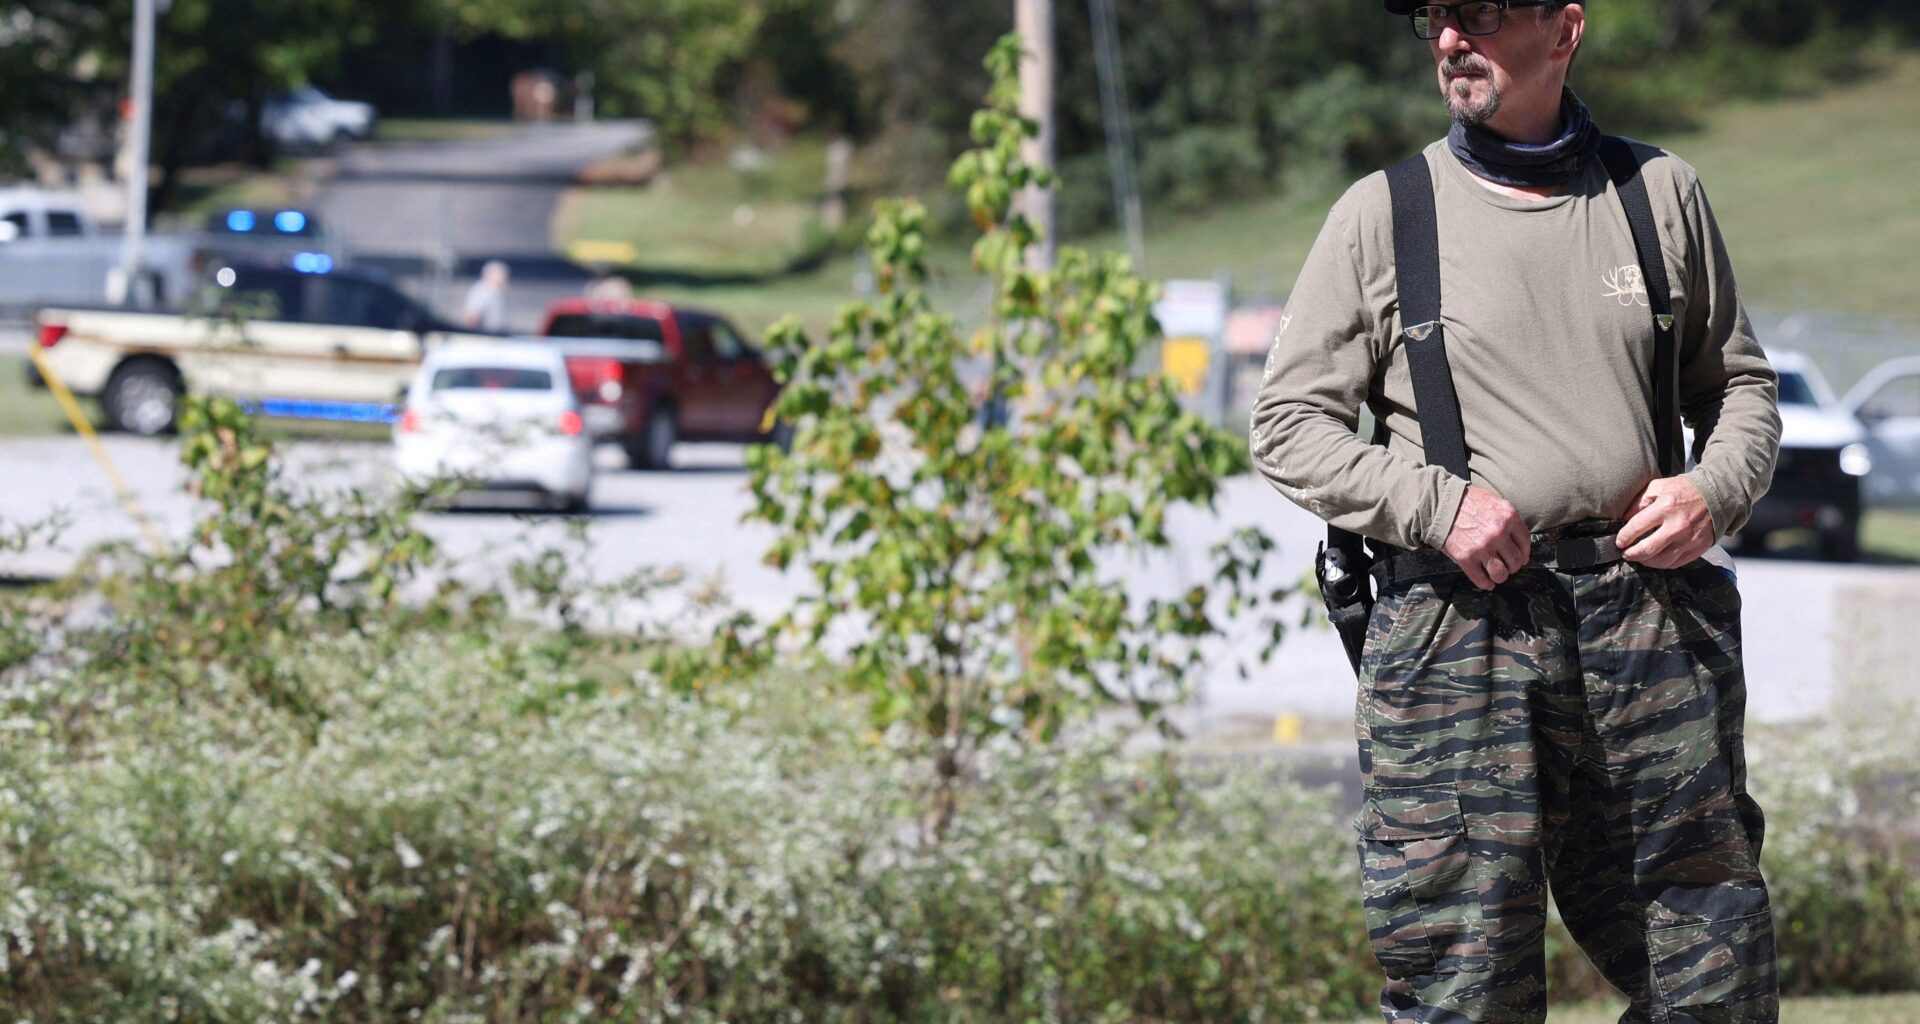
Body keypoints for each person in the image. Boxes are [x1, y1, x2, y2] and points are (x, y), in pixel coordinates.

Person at [1248, 3, 1782, 1022]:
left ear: (1565, 28)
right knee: (1465, 983)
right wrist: (1434, 504)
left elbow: (1742, 387)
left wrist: (1712, 491)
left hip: (1650, 625)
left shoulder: (1656, 192)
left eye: (1482, 14)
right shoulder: (1384, 213)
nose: (1452, 39)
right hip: (1462, 635)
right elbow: (1286, 426)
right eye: (1437, 18)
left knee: (1713, 969)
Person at [462, 259, 510, 332]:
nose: (504, 279)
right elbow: (472, 317)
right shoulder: (481, 292)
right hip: (485, 337)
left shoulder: (497, 292)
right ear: (490, 275)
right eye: (502, 276)